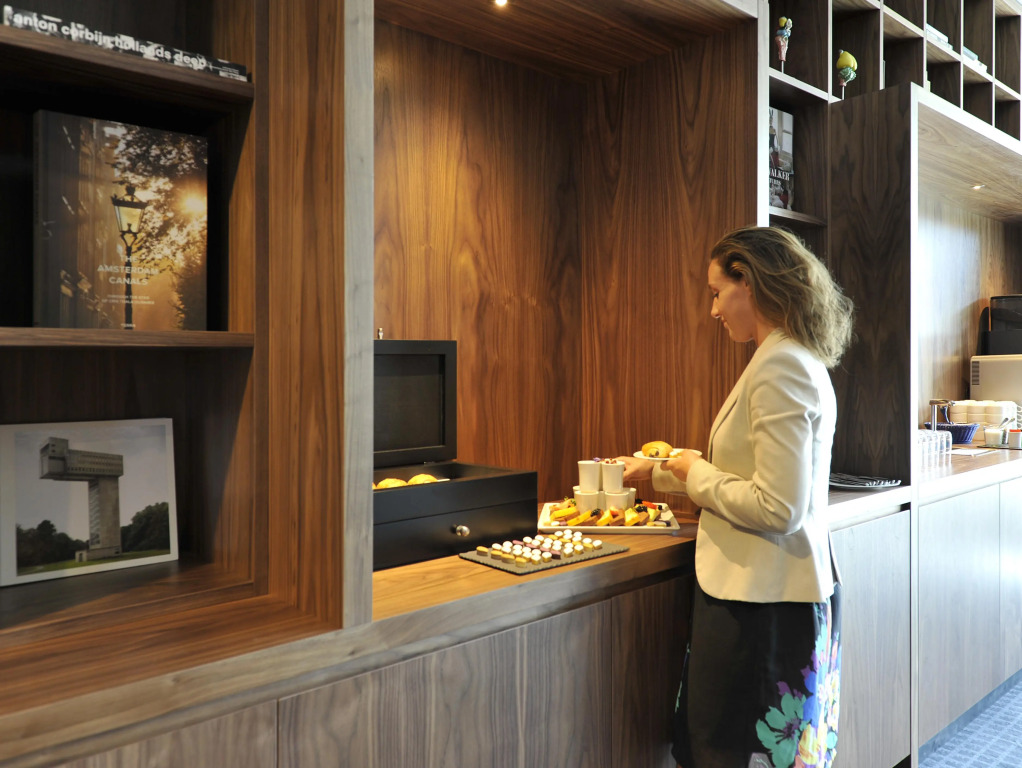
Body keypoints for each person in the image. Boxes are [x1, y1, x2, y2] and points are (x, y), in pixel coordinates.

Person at [618, 226, 854, 768]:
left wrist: (696, 472)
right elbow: (750, 473)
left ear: (749, 281)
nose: (713, 310)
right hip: (770, 597)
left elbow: (778, 507)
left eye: (717, 292)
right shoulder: (791, 356)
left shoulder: (780, 366)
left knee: (725, 753)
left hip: (761, 608)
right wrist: (661, 470)